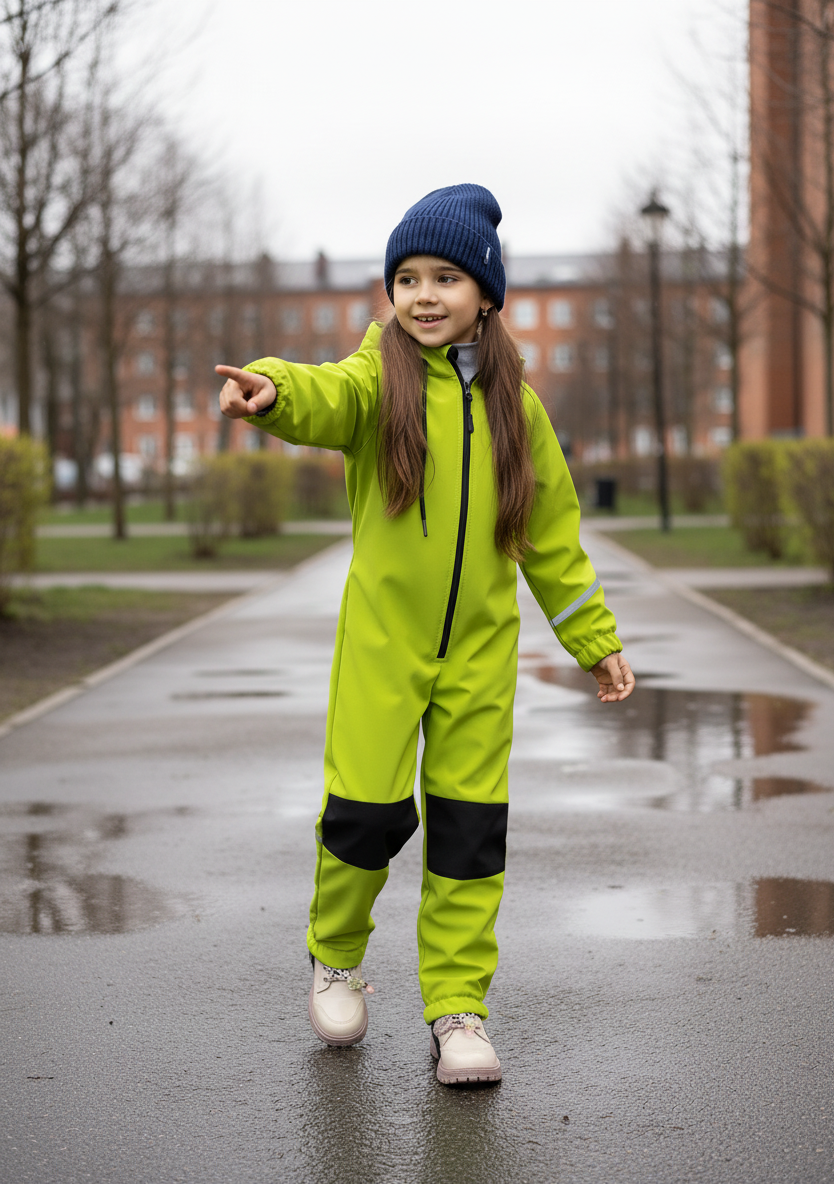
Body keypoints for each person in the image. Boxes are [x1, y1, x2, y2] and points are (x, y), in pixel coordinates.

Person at [217, 184, 635, 1087]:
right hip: (383, 649)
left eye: (446, 276)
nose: (424, 294)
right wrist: (272, 389)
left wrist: (593, 639)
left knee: (468, 833)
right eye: (406, 278)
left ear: (487, 294)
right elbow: (321, 397)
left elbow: (552, 541)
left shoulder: (519, 412)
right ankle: (334, 953)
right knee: (363, 816)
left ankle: (458, 1011)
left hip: (480, 660)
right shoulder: (377, 382)